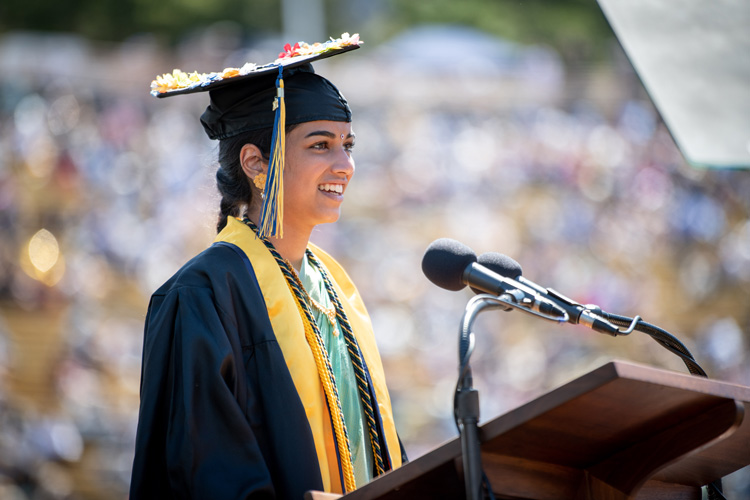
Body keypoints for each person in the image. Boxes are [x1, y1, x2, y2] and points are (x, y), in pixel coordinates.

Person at [130, 33, 405, 499]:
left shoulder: (334, 283)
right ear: (256, 163)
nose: (345, 165)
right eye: (320, 145)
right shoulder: (204, 294)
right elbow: (203, 472)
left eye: (348, 144)